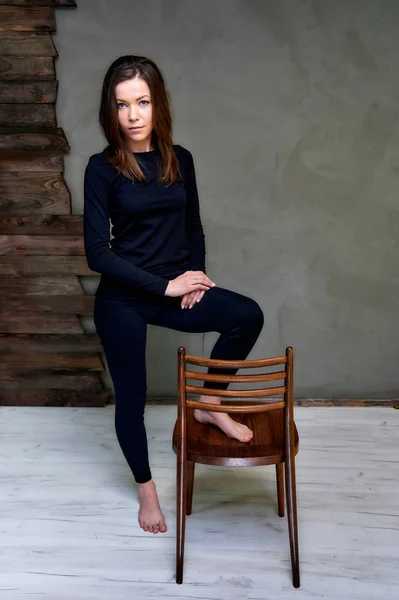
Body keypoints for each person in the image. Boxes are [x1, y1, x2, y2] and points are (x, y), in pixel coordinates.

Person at [83, 55, 264, 535]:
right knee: (132, 400)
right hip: (124, 298)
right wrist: (165, 286)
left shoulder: (179, 158)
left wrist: (196, 273)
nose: (134, 115)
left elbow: (193, 225)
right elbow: (97, 254)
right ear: (112, 111)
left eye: (142, 102)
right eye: (122, 105)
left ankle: (208, 403)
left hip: (177, 286)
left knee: (246, 316)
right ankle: (146, 492)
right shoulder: (101, 169)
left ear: (157, 103)